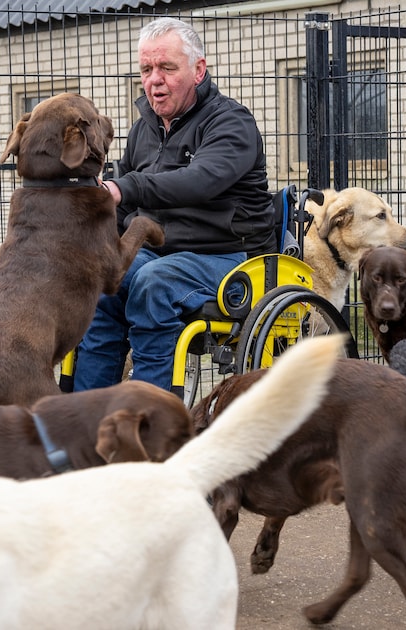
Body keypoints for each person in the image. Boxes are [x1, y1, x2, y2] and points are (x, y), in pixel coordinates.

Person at [74, 17, 274, 392]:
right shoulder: (143, 128)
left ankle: (149, 422)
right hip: (162, 254)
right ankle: (86, 422)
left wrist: (125, 187)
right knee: (103, 282)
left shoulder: (231, 123)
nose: (154, 79)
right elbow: (120, 209)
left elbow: (198, 182)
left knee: (153, 283)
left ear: (198, 70)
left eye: (166, 67)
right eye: (146, 69)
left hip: (229, 256)